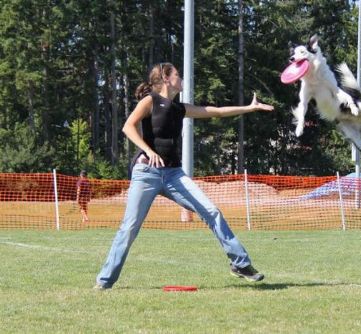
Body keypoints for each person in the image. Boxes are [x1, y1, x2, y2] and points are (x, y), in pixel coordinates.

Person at [94, 62, 274, 290]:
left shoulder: (179, 108)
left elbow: (214, 111)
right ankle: (104, 281)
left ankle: (240, 263)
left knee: (212, 211)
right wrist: (149, 151)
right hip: (146, 173)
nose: (182, 79)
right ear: (166, 79)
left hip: (173, 174)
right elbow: (128, 127)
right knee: (129, 228)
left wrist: (249, 108)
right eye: (177, 75)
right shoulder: (150, 101)